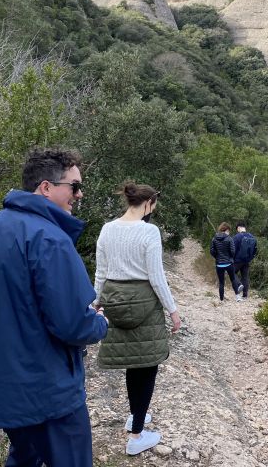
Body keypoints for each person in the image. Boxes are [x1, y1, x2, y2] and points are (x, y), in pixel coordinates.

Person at [0, 148, 108, 467]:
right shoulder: (50, 238)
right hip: (48, 391)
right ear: (45, 188)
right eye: (74, 186)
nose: (79, 195)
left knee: (25, 457)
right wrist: (99, 323)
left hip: (3, 386)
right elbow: (72, 325)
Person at [93, 181, 181, 457]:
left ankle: (136, 416)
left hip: (115, 300)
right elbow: (156, 276)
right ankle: (136, 436)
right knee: (147, 367)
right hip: (144, 303)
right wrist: (173, 310)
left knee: (133, 363)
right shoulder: (149, 231)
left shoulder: (108, 229)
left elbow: (101, 273)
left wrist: (94, 303)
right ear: (148, 204)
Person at [210, 222, 243, 302]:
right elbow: (233, 251)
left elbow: (212, 251)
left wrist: (217, 257)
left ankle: (221, 299)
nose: (229, 232)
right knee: (233, 279)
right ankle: (238, 297)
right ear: (227, 229)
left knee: (221, 282)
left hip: (219, 264)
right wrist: (230, 257)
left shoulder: (214, 238)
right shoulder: (229, 239)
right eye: (229, 230)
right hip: (229, 263)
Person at [232, 221, 257, 301]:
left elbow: (232, 250)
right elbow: (255, 250)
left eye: (237, 229)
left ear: (238, 228)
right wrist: (250, 258)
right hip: (247, 260)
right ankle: (245, 295)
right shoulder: (252, 237)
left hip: (237, 260)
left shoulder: (237, 237)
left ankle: (239, 285)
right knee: (245, 277)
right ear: (244, 227)